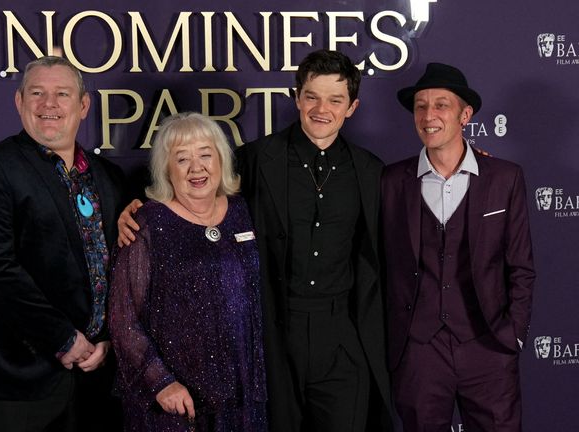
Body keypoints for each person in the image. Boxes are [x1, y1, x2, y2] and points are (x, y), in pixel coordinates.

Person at [117, 50, 391, 431]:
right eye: (311, 96)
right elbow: (196, 182)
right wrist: (132, 205)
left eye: (335, 99)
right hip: (271, 336)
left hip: (342, 339)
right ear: (297, 97)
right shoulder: (259, 158)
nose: (321, 109)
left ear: (352, 106)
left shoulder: (371, 170)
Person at [0, 56, 125, 432]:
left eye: (62, 94)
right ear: (19, 102)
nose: (49, 105)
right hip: (16, 380)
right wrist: (63, 338)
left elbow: (121, 268)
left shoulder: (107, 176)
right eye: (37, 93)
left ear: (83, 105)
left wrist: (109, 337)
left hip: (95, 378)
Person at [381, 62, 536, 432]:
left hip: (488, 345)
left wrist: (512, 333)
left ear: (465, 114)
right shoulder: (389, 180)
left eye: (441, 105)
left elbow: (521, 266)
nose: (429, 115)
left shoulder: (505, 178)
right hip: (418, 351)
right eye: (421, 106)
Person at [109, 112, 266, 431]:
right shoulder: (145, 225)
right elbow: (122, 318)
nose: (197, 168)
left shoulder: (243, 211)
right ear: (167, 169)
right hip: (175, 402)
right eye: (182, 159)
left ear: (221, 159)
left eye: (206, 155)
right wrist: (160, 382)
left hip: (242, 397)